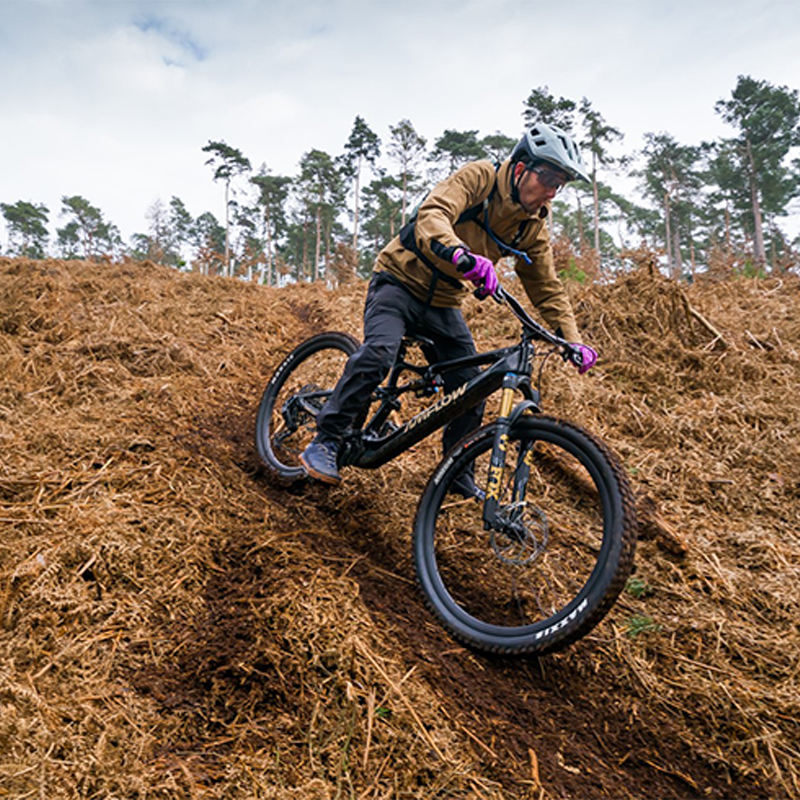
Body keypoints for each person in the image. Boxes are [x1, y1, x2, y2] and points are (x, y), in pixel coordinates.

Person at [300, 122, 597, 496]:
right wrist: (461, 254)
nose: (552, 192)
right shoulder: (480, 178)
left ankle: (457, 472)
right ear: (522, 168)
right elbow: (433, 214)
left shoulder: (532, 226)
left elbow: (546, 287)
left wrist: (572, 340)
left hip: (443, 302)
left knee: (471, 384)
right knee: (378, 354)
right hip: (399, 282)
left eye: (560, 184)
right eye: (548, 178)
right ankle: (326, 440)